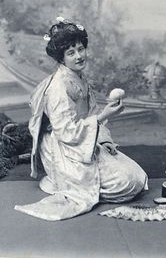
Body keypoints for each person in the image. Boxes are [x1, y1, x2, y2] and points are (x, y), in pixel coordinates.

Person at [15, 17, 148, 221]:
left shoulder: (79, 77)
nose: (79, 56)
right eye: (71, 52)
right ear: (61, 59)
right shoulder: (58, 87)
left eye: (80, 49)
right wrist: (104, 115)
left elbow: (91, 112)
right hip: (63, 147)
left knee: (137, 177)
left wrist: (104, 140)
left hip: (84, 140)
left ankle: (81, 181)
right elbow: (66, 132)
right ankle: (64, 181)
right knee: (127, 183)